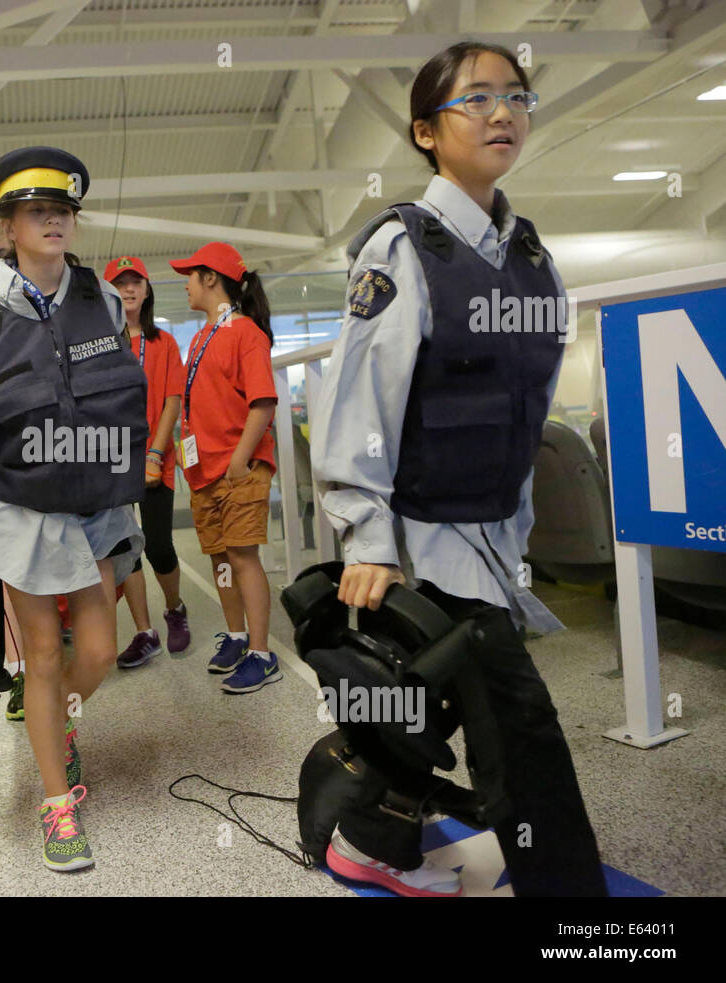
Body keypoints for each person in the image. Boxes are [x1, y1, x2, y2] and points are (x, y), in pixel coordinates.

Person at [311, 41, 607, 897]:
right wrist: (366, 538)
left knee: (428, 705)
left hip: (490, 541)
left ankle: (369, 838)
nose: (503, 112)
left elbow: (525, 407)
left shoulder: (532, 257)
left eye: (516, 96)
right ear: (426, 131)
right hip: (421, 538)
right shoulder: (405, 250)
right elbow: (359, 402)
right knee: (522, 732)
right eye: (475, 99)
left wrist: (516, 538)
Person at [0, 146, 146, 871]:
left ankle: (56, 725)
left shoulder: (100, 297)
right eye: (36, 211)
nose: (53, 221)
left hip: (95, 507)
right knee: (43, 656)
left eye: (64, 210)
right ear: (9, 225)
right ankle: (56, 806)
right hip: (22, 509)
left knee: (101, 650)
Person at [169, 243, 280, 694]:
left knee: (242, 557)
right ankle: (236, 637)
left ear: (210, 278)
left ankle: (261, 653)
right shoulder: (201, 337)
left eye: (190, 275)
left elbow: (263, 402)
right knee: (220, 558)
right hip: (205, 470)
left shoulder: (245, 333)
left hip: (239, 467)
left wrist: (239, 460)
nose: (185, 283)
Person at [104, 256, 190, 667]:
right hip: (115, 461)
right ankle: (144, 631)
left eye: (135, 280)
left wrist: (155, 453)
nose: (129, 288)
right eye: (119, 283)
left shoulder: (164, 343)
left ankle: (174, 610)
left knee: (158, 544)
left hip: (157, 460)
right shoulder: (101, 345)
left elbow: (173, 400)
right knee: (126, 548)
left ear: (147, 288)